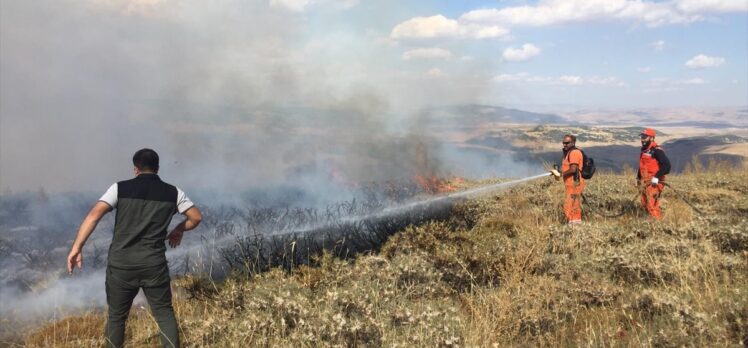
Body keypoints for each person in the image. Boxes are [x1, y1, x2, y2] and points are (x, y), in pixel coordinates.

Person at [66, 148, 203, 348]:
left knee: (116, 317)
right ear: (157, 168)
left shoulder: (119, 188)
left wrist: (77, 248)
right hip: (153, 265)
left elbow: (93, 215)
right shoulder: (173, 192)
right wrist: (179, 229)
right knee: (164, 313)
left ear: (135, 169)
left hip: (121, 265)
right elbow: (196, 217)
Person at [637, 128, 671, 219]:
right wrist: (638, 179)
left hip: (655, 182)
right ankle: (650, 222)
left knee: (652, 205)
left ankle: (657, 225)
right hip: (645, 182)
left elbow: (667, 166)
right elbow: (642, 166)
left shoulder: (657, 151)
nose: (642, 139)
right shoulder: (644, 150)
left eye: (644, 137)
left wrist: (656, 177)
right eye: (641, 137)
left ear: (651, 138)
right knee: (644, 202)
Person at [554, 134, 585, 225]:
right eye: (563, 143)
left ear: (573, 142)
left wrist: (560, 174)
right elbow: (568, 168)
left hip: (574, 184)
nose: (565, 145)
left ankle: (574, 227)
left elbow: (573, 169)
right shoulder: (569, 153)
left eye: (567, 143)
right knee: (571, 205)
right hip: (571, 184)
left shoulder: (574, 153)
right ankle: (573, 225)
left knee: (572, 206)